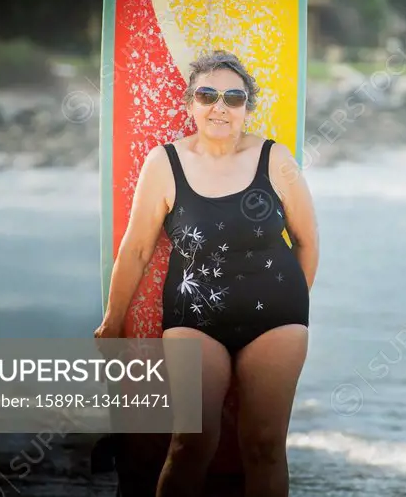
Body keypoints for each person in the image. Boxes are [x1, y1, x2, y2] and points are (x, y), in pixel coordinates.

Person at [94, 49, 320, 497]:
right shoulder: (165, 163)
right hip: (194, 319)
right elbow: (137, 249)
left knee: (265, 447)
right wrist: (113, 320)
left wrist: (291, 305)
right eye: (208, 95)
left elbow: (308, 241)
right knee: (190, 443)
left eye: (234, 98)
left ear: (247, 108)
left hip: (276, 319)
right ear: (190, 104)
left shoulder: (275, 159)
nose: (220, 107)